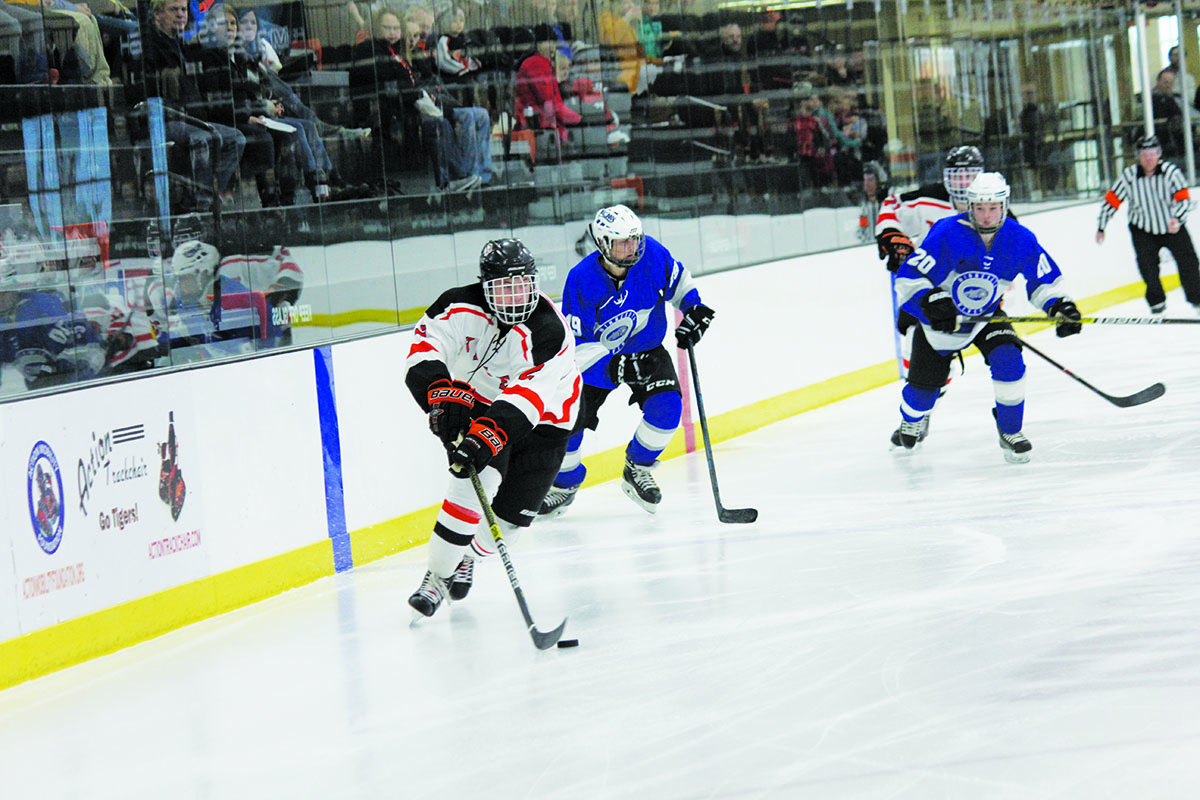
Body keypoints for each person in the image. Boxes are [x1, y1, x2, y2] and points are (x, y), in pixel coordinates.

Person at [404, 239, 582, 617]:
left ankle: (468, 557)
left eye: (523, 285)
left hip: (547, 422)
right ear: (485, 285)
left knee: (509, 523)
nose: (516, 297)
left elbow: (528, 398)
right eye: (504, 287)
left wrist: (484, 437)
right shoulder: (457, 305)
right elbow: (424, 348)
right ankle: (437, 577)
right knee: (471, 486)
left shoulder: (548, 330)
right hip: (481, 403)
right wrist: (439, 392)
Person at [538, 204, 715, 518]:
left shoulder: (652, 255)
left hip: (646, 348)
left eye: (634, 239)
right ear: (603, 244)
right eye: (622, 243)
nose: (632, 248)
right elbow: (577, 347)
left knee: (667, 409)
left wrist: (694, 308)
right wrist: (614, 369)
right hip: (596, 362)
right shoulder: (581, 279)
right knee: (565, 425)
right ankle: (565, 485)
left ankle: (637, 467)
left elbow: (679, 282)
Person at [892, 172, 1082, 463]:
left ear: (1004, 205)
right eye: (980, 207)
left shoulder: (1019, 238)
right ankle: (911, 419)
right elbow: (909, 276)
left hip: (986, 316)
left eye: (993, 207)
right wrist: (930, 301)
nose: (986, 215)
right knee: (922, 396)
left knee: (1009, 360)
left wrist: (1060, 306)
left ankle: (1010, 430)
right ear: (969, 206)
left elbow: (1043, 279)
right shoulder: (948, 232)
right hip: (942, 319)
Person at [875, 144, 984, 446]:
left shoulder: (992, 206)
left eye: (969, 175)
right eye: (957, 176)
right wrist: (894, 238)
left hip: (968, 295)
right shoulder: (927, 199)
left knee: (945, 363)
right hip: (924, 289)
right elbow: (890, 206)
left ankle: (931, 398)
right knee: (914, 345)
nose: (963, 182)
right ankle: (919, 413)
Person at [139, 0, 247, 213]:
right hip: (165, 119)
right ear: (157, 15)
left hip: (190, 117)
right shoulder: (149, 46)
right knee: (203, 137)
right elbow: (148, 89)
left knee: (237, 139)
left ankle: (203, 196)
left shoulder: (180, 44)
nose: (181, 14)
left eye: (183, 10)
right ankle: (200, 205)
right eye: (174, 10)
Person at [1096, 134, 1200, 316]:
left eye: (1152, 154)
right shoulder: (1129, 176)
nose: (1149, 158)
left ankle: (1197, 299)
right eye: (1144, 155)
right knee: (1147, 266)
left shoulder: (1171, 172)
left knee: (1189, 262)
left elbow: (1184, 200)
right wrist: (1101, 227)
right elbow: (1112, 201)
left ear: (1159, 154)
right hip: (1142, 229)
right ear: (1138, 157)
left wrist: (1177, 218)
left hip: (1172, 225)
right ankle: (1157, 303)